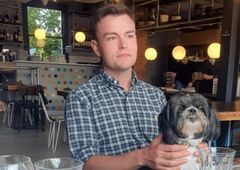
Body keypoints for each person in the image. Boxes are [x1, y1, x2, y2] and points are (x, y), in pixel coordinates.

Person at [65, 4, 192, 170]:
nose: (123, 44)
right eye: (112, 37)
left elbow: (169, 142)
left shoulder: (155, 95)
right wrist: (143, 157)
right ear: (96, 48)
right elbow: (85, 163)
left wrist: (189, 149)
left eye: (129, 35)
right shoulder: (81, 98)